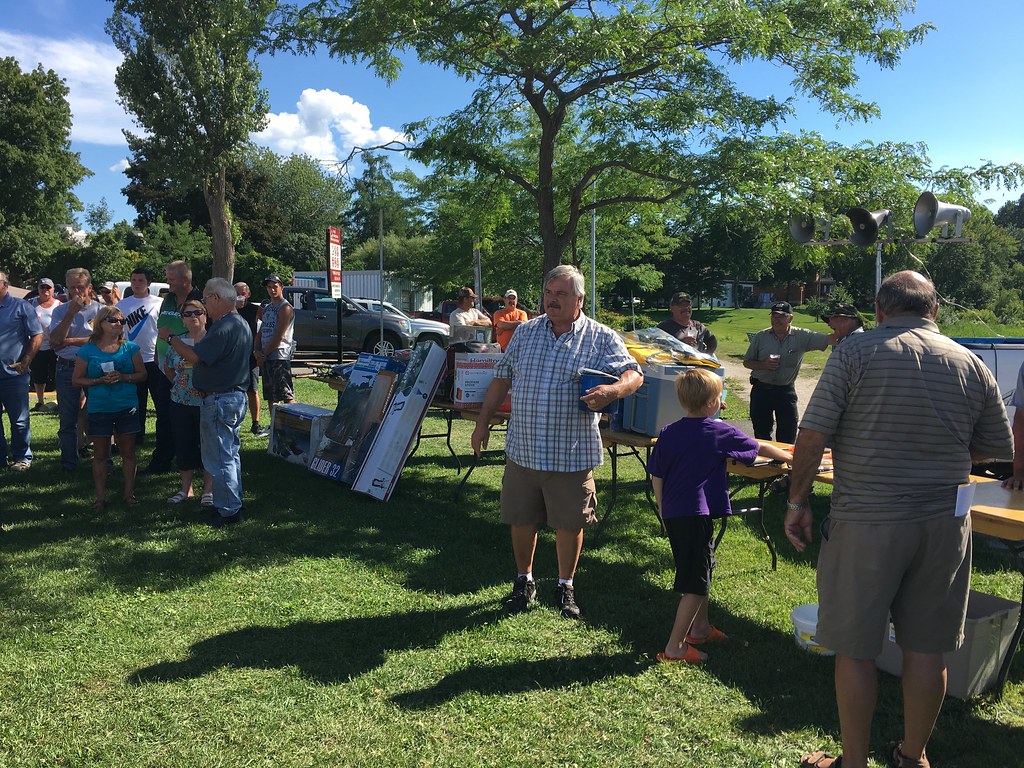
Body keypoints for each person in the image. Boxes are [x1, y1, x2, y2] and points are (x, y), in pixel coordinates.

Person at [785, 272, 1012, 768]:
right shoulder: (970, 361)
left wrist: (797, 501)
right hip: (943, 525)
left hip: (867, 518)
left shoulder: (855, 351)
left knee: (855, 648)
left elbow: (812, 434)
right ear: (934, 311)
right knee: (928, 649)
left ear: (881, 310)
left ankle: (853, 762)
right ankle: (914, 757)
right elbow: (997, 447)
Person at [471, 265, 643, 618]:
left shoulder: (601, 337)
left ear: (579, 299)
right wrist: (483, 423)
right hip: (524, 450)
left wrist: (613, 390)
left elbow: (633, 375)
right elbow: (501, 379)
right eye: (548, 293)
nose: (552, 300)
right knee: (521, 519)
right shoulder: (526, 333)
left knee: (570, 523)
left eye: (561, 294)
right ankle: (524, 580)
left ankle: (566, 586)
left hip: (571, 453)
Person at [649, 368, 791, 663]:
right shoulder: (719, 431)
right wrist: (791, 457)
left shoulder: (668, 431)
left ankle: (699, 628)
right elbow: (759, 447)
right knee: (694, 581)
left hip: (675, 514)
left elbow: (657, 475)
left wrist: (663, 510)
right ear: (714, 402)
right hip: (694, 515)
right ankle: (675, 647)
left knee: (702, 568)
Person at [159, 278, 252, 526]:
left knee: (220, 457)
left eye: (206, 300)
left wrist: (170, 339)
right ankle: (226, 504)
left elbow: (193, 356)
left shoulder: (223, 327)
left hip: (220, 399)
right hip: (230, 397)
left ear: (215, 298)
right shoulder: (239, 323)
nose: (204, 306)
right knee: (228, 455)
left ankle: (230, 511)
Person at [72, 304, 147, 511]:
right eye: (113, 320)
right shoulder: (87, 350)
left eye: (121, 321)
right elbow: (76, 380)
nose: (118, 324)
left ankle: (129, 494)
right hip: (99, 407)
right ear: (101, 323)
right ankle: (100, 497)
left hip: (126, 405)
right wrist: (98, 381)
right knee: (100, 454)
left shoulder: (130, 348)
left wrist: (124, 377)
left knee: (128, 452)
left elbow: (143, 374)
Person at [743, 301, 832, 444]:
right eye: (774, 316)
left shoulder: (802, 336)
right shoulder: (761, 337)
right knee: (761, 433)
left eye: (781, 316)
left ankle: (782, 464)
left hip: (785, 391)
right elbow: (747, 362)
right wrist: (764, 364)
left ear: (790, 318)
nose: (776, 320)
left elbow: (829, 339)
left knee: (788, 434)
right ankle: (765, 464)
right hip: (761, 390)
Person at [150, 260, 202, 474]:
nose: (168, 283)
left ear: (185, 280)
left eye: (171, 279)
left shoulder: (198, 301)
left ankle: (196, 462)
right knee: (164, 416)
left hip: (189, 371)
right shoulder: (168, 300)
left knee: (192, 420)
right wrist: (156, 354)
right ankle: (162, 460)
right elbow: (161, 330)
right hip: (165, 367)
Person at [49, 268, 103, 471]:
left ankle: (103, 460)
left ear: (89, 287)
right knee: (67, 417)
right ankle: (69, 462)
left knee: (98, 415)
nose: (76, 291)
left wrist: (70, 340)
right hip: (66, 368)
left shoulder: (101, 311)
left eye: (80, 287)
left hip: (94, 367)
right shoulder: (60, 310)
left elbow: (101, 339)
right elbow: (54, 340)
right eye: (72, 287)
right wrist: (71, 312)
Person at [161, 298, 213, 506]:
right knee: (183, 444)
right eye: (188, 314)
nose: (193, 317)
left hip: (207, 401)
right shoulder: (178, 342)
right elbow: (167, 367)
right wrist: (179, 384)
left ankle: (208, 489)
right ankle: (186, 489)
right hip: (180, 401)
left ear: (205, 315)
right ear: (182, 320)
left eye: (197, 312)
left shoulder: (212, 340)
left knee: (208, 445)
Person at [117, 267, 172, 464]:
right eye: (133, 280)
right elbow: (118, 333)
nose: (136, 283)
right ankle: (135, 438)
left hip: (155, 361)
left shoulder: (159, 304)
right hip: (132, 361)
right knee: (134, 404)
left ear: (148, 283)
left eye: (140, 280)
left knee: (161, 404)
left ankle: (163, 441)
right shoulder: (122, 305)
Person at [0, 271, 43, 471]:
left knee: (19, 420)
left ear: (4, 285)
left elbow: (37, 335)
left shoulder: (21, 306)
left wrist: (26, 361)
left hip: (13, 376)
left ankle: (22, 458)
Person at [254, 274, 295, 428]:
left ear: (281, 287)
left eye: (275, 286)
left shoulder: (285, 308)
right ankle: (275, 426)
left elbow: (279, 335)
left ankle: (292, 426)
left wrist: (263, 354)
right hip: (266, 356)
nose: (271, 290)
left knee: (286, 393)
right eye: (269, 287)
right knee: (271, 395)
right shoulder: (267, 308)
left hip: (279, 356)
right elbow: (261, 331)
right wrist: (256, 350)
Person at [234, 282, 263, 435]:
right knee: (233, 389)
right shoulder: (228, 308)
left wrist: (259, 342)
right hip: (233, 356)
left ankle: (255, 423)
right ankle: (234, 421)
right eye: (236, 292)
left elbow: (270, 321)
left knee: (252, 390)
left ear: (248, 294)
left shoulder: (254, 309)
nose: (239, 296)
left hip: (250, 356)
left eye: (242, 293)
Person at [28, 278, 59, 412]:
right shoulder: (31, 304)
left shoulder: (59, 305)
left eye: (48, 288)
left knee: (57, 373)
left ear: (53, 290)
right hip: (37, 345)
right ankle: (40, 401)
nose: (45, 290)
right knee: (38, 374)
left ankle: (60, 400)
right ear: (38, 289)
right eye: (42, 288)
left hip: (55, 345)